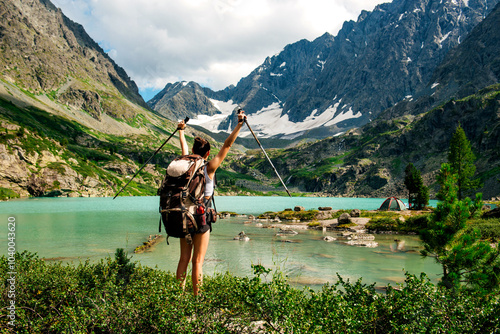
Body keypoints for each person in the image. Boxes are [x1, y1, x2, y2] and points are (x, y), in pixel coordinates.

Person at [175, 109, 246, 295]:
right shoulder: (209, 168)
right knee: (197, 261)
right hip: (200, 218)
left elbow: (183, 148)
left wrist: (181, 130)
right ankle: (197, 301)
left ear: (192, 151)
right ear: (207, 154)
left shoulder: (185, 163)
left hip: (183, 215)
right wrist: (239, 124)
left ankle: (176, 297)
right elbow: (227, 145)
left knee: (183, 258)